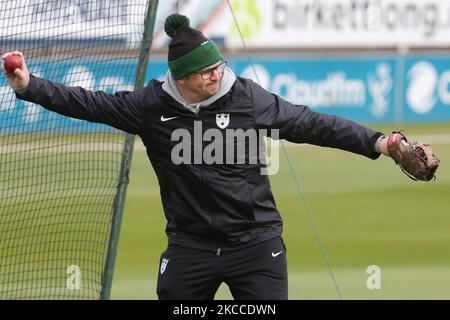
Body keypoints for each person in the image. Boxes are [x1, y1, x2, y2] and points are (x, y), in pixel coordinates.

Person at [2, 14, 393, 300]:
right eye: (205, 71)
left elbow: (312, 124)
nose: (216, 75)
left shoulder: (247, 98)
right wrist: (28, 86)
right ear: (182, 77)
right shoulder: (149, 107)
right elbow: (88, 103)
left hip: (255, 245)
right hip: (190, 247)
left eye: (217, 67)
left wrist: (379, 143)